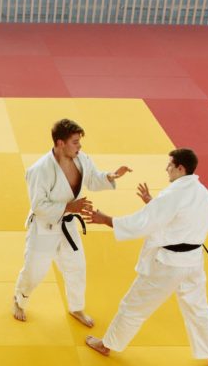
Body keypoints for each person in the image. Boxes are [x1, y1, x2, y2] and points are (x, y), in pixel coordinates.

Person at [84, 148, 208, 366]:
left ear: (180, 168)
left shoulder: (173, 194)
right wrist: (153, 203)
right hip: (193, 261)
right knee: (198, 308)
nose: (166, 169)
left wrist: (106, 220)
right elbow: (181, 221)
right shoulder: (203, 192)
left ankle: (107, 344)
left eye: (169, 165)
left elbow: (143, 223)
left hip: (168, 264)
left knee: (134, 305)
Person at [12, 119, 131, 327]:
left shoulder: (80, 159)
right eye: (75, 142)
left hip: (66, 225)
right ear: (60, 143)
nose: (79, 146)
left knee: (76, 266)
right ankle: (19, 299)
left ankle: (76, 307)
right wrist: (69, 207)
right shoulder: (40, 170)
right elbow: (39, 205)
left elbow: (93, 178)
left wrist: (111, 175)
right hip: (44, 226)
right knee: (35, 271)